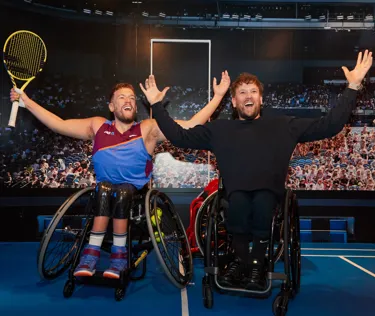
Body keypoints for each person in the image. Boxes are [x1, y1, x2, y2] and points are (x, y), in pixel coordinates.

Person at [140, 50, 373, 290]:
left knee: (261, 201)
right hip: (235, 196)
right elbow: (179, 137)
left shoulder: (283, 125)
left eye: (253, 91)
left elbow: (330, 125)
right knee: (238, 202)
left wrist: (353, 86)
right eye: (242, 92)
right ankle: (243, 262)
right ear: (234, 101)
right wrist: (157, 105)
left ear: (261, 99)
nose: (248, 96)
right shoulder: (220, 130)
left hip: (269, 195)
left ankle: (256, 264)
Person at [10, 71, 231, 279]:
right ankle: (91, 254)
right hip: (104, 190)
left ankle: (118, 256)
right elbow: (59, 124)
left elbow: (191, 125)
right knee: (106, 189)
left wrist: (218, 96)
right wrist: (26, 101)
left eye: (132, 98)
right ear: (111, 106)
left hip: (134, 193)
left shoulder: (147, 128)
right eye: (122, 97)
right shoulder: (98, 126)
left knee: (123, 191)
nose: (128, 101)